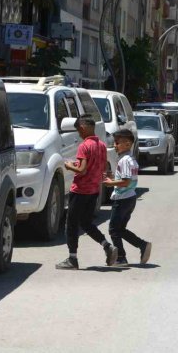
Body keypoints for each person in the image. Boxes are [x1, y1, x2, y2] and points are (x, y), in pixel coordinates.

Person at [56, 115, 118, 270]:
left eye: (78, 130)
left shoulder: (84, 146)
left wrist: (70, 166)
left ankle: (72, 259)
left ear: (83, 127)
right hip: (94, 190)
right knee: (86, 223)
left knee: (71, 224)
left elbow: (82, 170)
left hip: (80, 190)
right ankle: (107, 246)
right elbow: (102, 167)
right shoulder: (101, 145)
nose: (79, 134)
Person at [103, 129, 152, 267]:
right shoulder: (130, 159)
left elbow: (126, 181)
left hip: (122, 199)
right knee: (120, 229)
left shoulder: (124, 160)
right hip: (130, 198)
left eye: (117, 143)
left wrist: (110, 183)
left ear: (127, 144)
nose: (114, 146)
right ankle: (142, 245)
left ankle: (121, 257)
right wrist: (113, 178)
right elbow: (125, 179)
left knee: (113, 229)